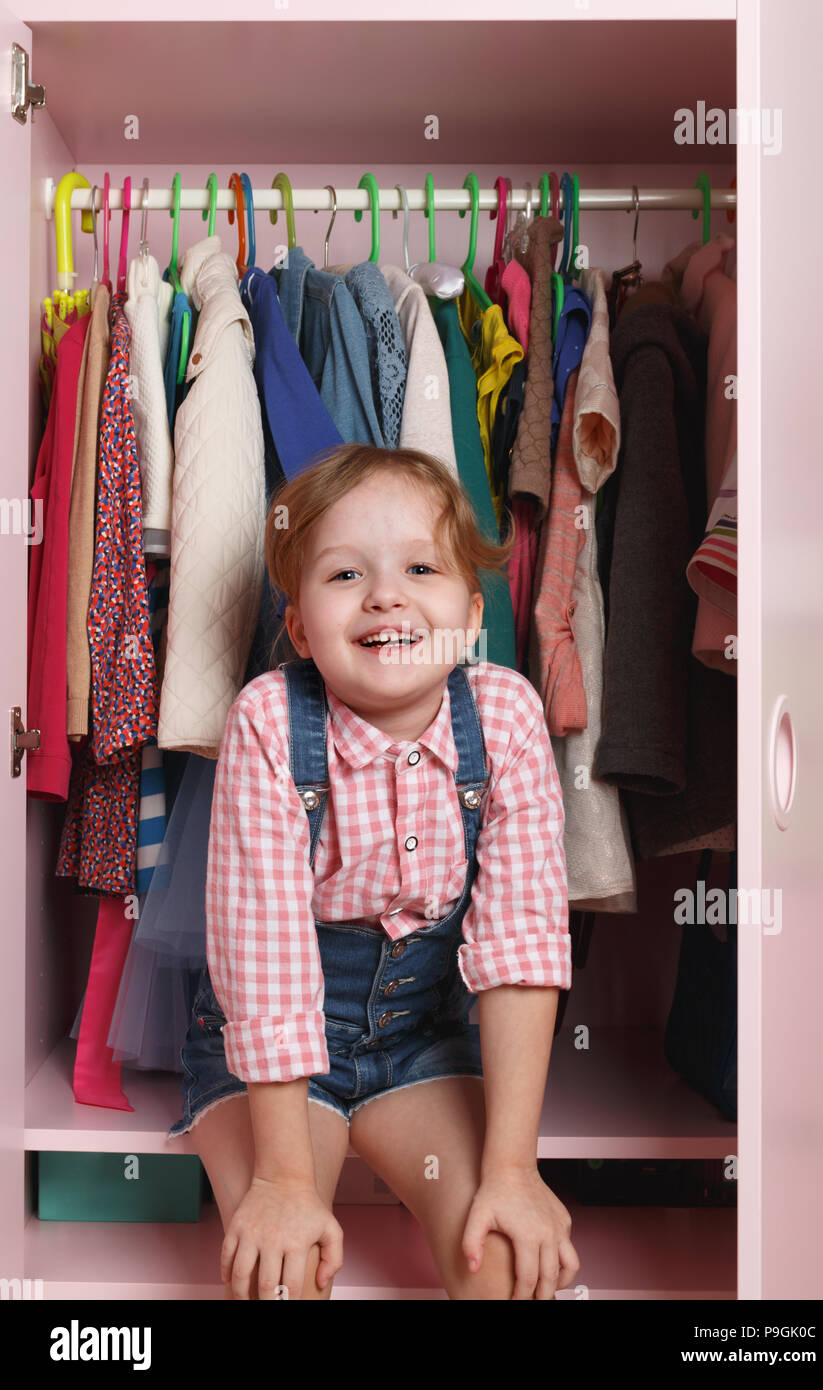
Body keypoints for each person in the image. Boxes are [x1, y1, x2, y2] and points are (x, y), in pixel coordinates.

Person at [167, 442, 580, 1300]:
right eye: (346, 575)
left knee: (504, 1261)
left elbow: (520, 948)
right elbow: (269, 964)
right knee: (279, 1274)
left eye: (419, 567)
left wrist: (512, 1168)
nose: (386, 594)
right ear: (299, 629)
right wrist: (284, 1183)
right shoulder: (271, 724)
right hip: (274, 1060)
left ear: (472, 615)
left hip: (419, 1042)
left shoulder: (504, 717)